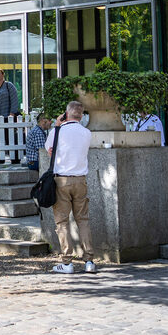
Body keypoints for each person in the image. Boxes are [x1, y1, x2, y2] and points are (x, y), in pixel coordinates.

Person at [47, 101, 96, 274]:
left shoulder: (57, 132)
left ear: (66, 114)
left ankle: (67, 262)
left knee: (62, 222)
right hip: (80, 179)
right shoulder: (86, 133)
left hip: (62, 180)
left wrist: (57, 125)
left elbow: (49, 150)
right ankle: (89, 260)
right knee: (83, 220)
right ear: (81, 116)